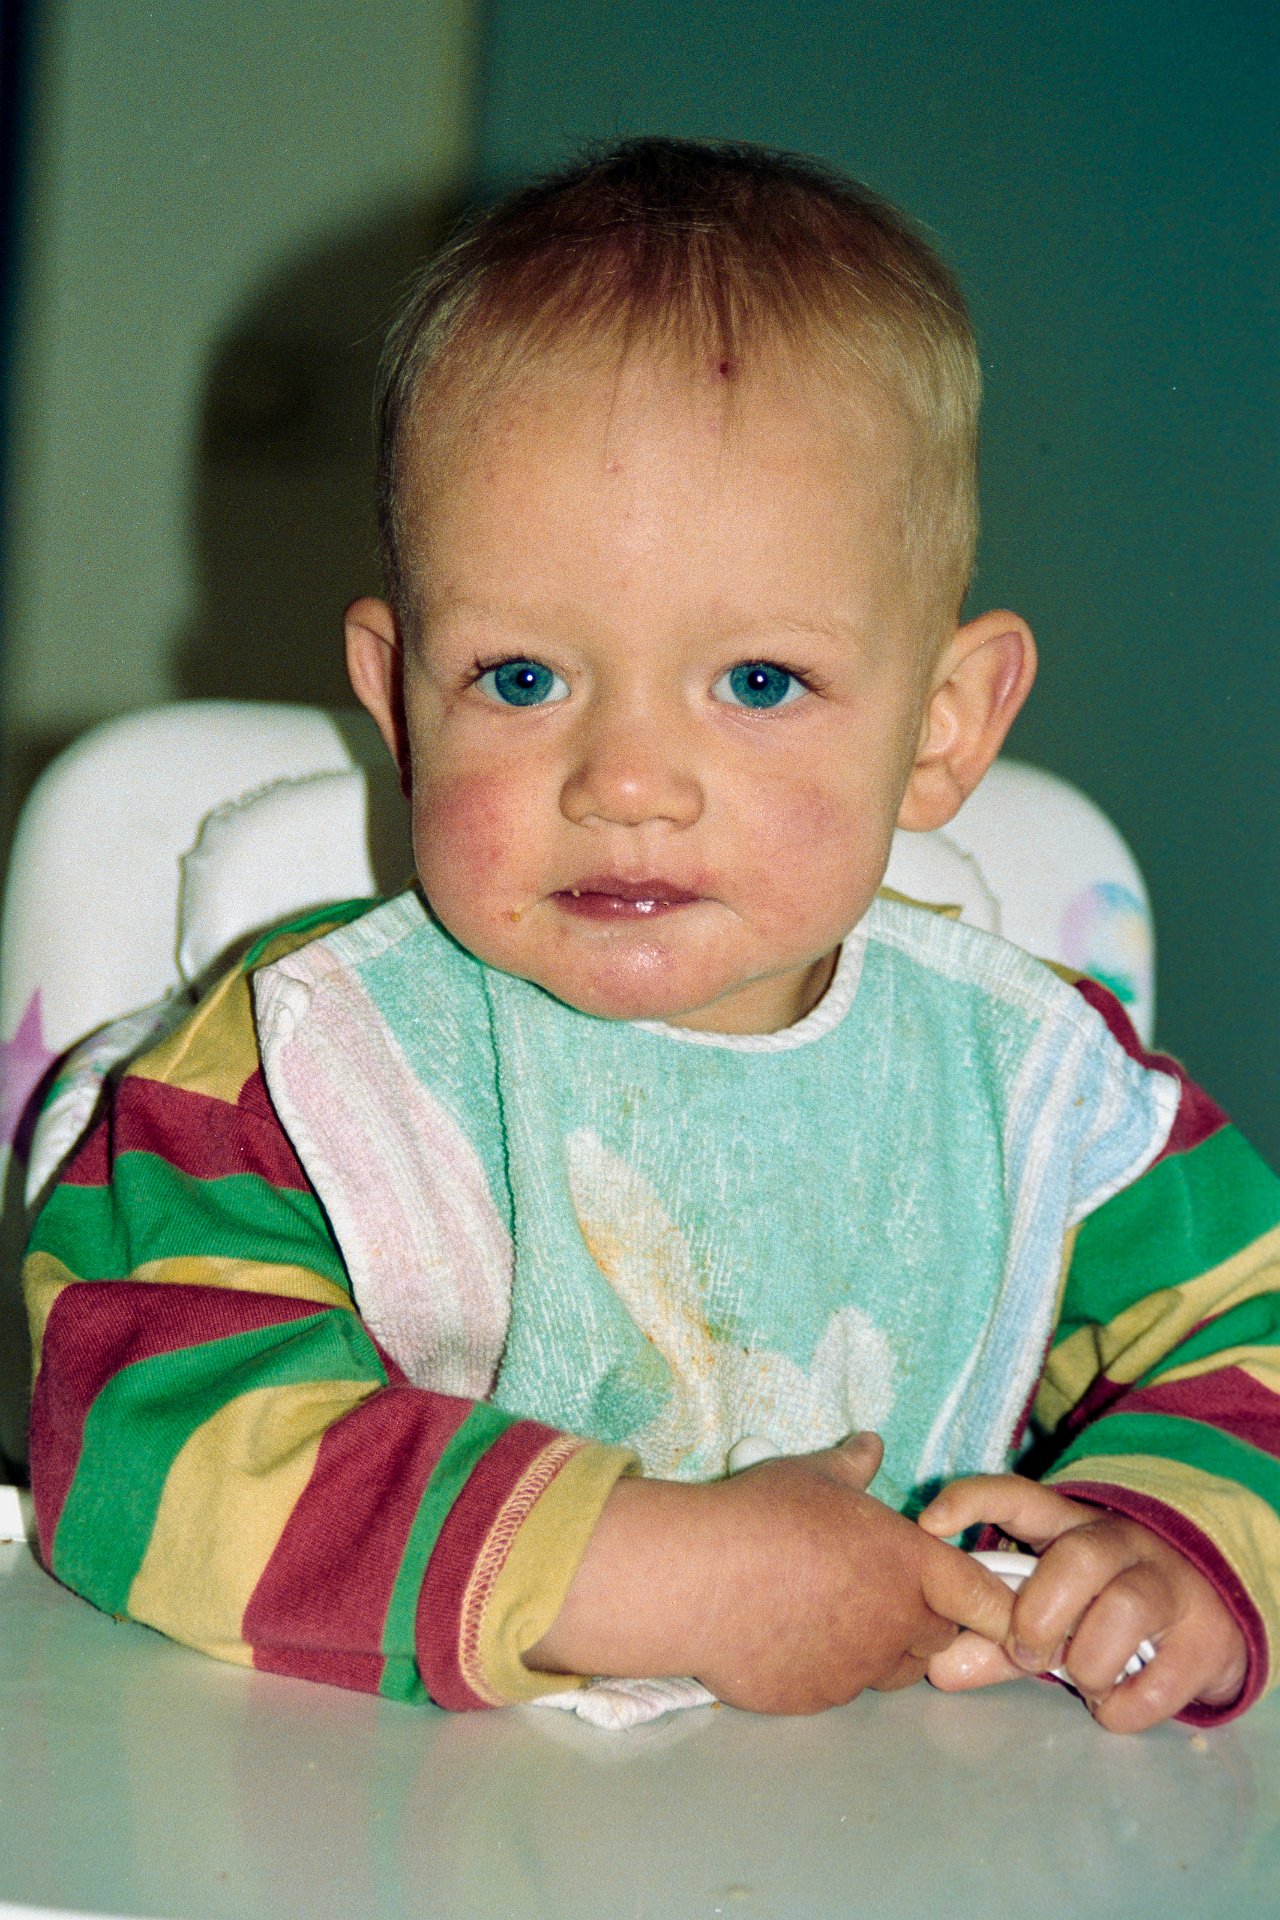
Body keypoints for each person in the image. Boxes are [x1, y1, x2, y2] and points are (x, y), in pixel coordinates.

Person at [24, 140, 1278, 1732]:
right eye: (523, 679)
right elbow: (139, 1432)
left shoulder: (1040, 1096)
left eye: (757, 682)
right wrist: (653, 1574)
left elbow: (1251, 1333)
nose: (624, 782)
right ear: (400, 702)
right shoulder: (293, 1077)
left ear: (943, 724)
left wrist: (1169, 1549)